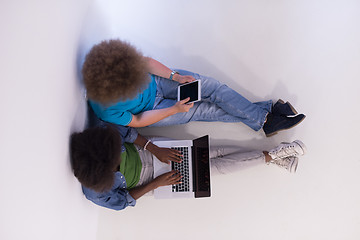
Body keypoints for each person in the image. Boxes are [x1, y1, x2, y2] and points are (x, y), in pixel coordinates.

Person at [82, 39, 305, 137]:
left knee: (214, 88)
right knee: (207, 111)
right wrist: (174, 110)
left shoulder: (110, 59)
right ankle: (268, 116)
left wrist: (174, 76)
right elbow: (138, 121)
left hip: (160, 80)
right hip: (155, 110)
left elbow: (146, 62)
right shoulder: (104, 109)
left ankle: (266, 118)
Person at [70, 122, 307, 211]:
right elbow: (123, 202)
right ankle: (275, 156)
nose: (120, 159)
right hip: (157, 182)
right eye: (116, 165)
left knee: (217, 151)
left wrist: (155, 148)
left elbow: (127, 132)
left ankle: (275, 156)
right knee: (218, 170)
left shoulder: (99, 136)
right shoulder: (94, 192)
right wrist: (157, 183)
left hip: (157, 152)